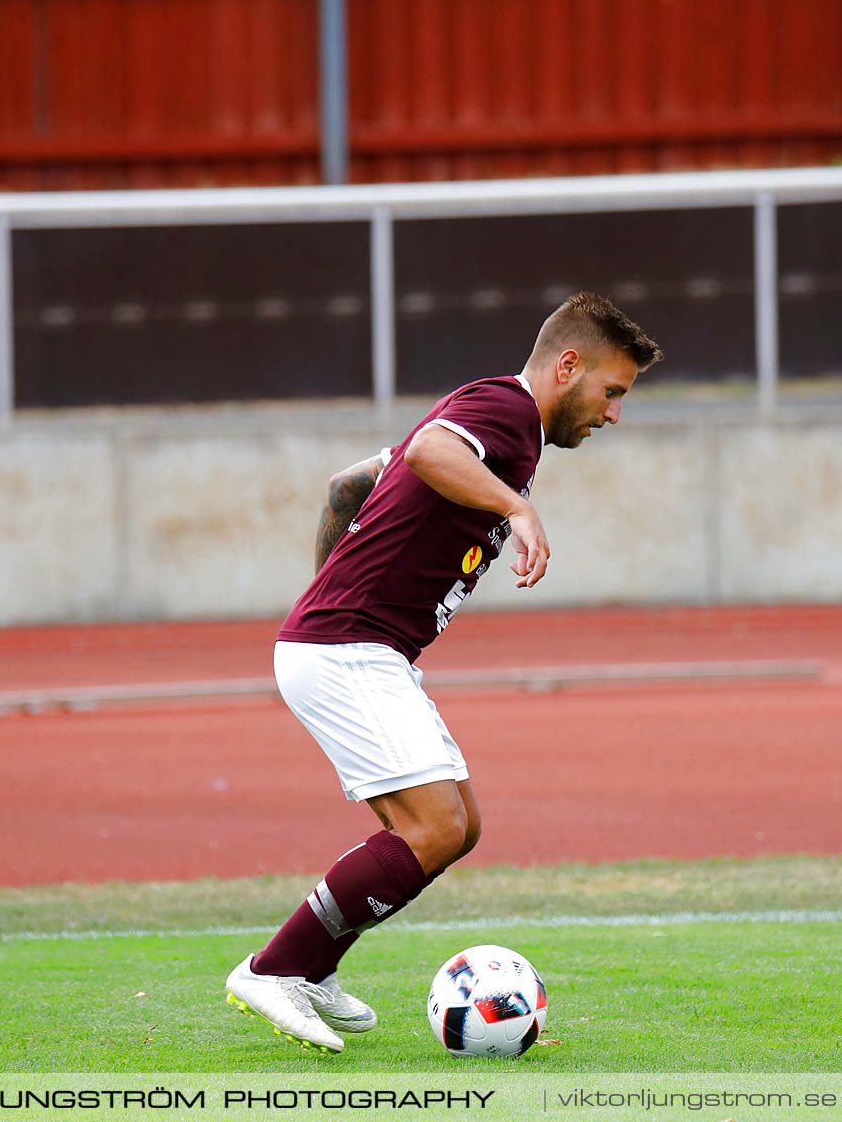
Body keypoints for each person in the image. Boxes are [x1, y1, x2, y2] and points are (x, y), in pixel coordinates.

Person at [225, 291, 663, 1053]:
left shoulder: (507, 432)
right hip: (347, 648)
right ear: (568, 366)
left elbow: (348, 486)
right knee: (432, 827)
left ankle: (314, 967)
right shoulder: (506, 410)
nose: (613, 414)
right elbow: (430, 449)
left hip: (359, 645)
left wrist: (330, 592)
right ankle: (272, 970)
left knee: (459, 828)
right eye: (611, 391)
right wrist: (518, 513)